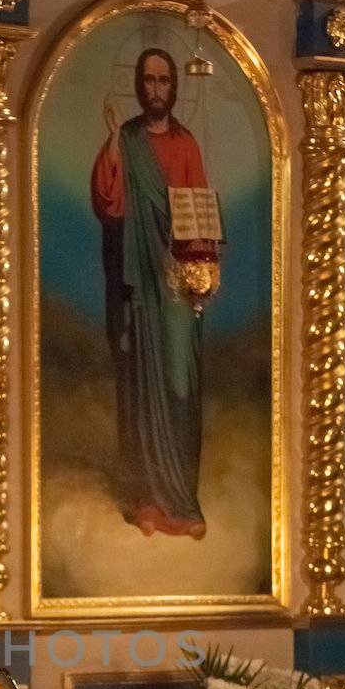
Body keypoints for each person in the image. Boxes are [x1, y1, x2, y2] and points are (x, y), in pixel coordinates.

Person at [91, 46, 217, 539]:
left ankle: (183, 500)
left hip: (178, 286)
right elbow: (111, 203)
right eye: (149, 80)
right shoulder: (127, 139)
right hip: (139, 282)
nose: (157, 89)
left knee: (179, 383)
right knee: (142, 385)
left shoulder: (186, 145)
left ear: (174, 87)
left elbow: (200, 216)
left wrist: (202, 270)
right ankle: (146, 498)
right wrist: (111, 146)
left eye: (165, 80)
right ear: (140, 86)